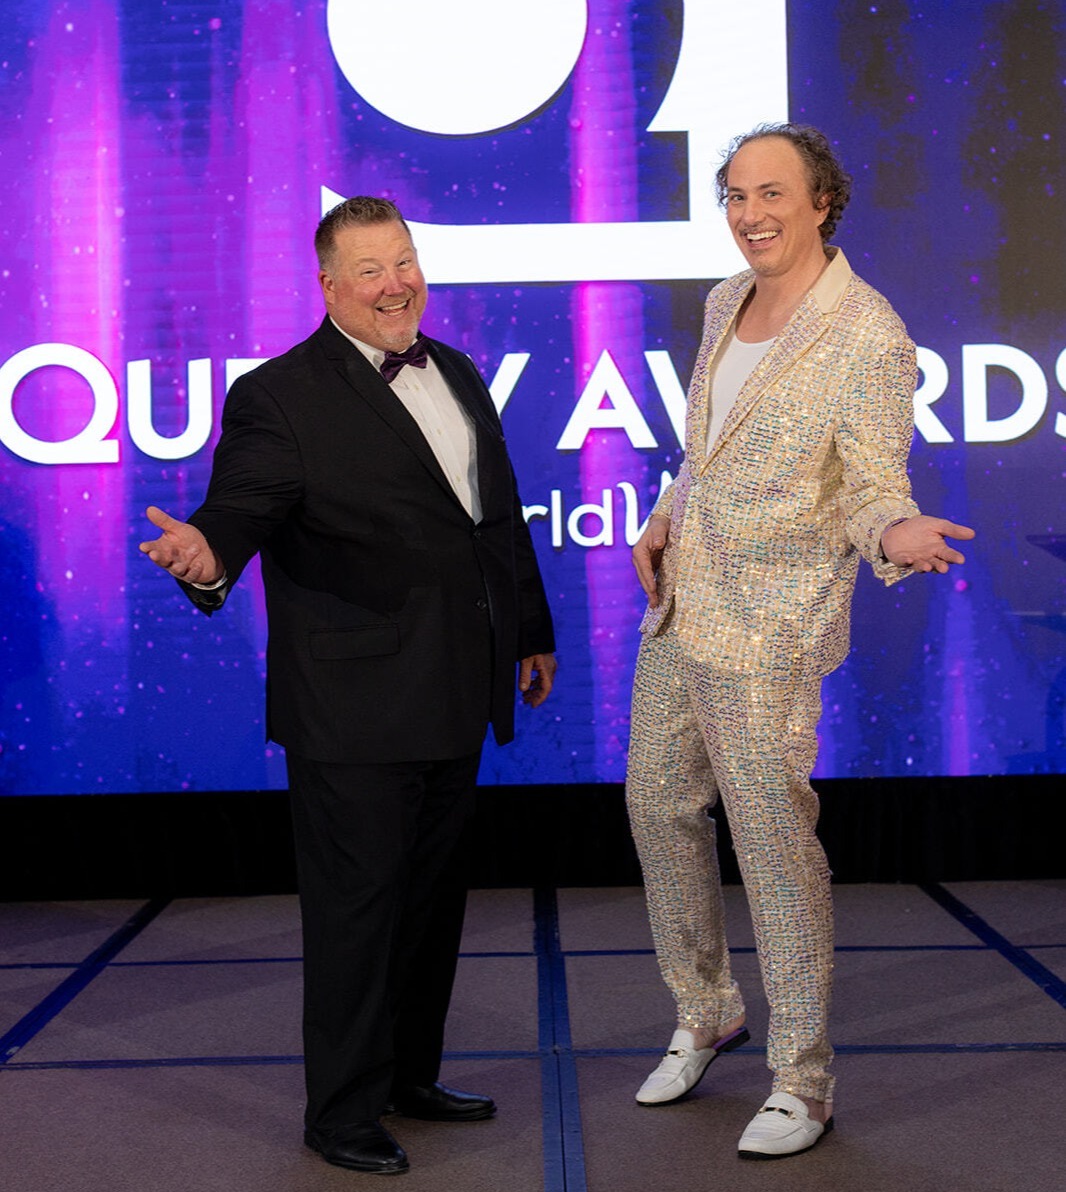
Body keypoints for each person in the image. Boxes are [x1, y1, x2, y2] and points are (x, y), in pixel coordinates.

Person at [139, 196, 556, 1176]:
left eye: (404, 261)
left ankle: (409, 1076)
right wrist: (209, 555)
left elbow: (493, 519)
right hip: (352, 709)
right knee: (355, 918)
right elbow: (240, 508)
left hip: (455, 689)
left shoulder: (456, 370)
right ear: (328, 286)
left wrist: (528, 631)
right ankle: (339, 1113)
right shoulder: (279, 395)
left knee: (430, 906)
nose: (395, 284)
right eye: (370, 270)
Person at [625, 124, 974, 1160]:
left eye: (771, 193)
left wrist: (893, 532)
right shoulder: (724, 301)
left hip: (770, 630)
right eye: (735, 196)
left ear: (822, 201)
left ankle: (802, 1079)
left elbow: (870, 483)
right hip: (681, 606)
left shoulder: (867, 332)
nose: (750, 215)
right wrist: (665, 515)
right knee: (655, 806)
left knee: (773, 848)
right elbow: (704, 448)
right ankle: (704, 1010)